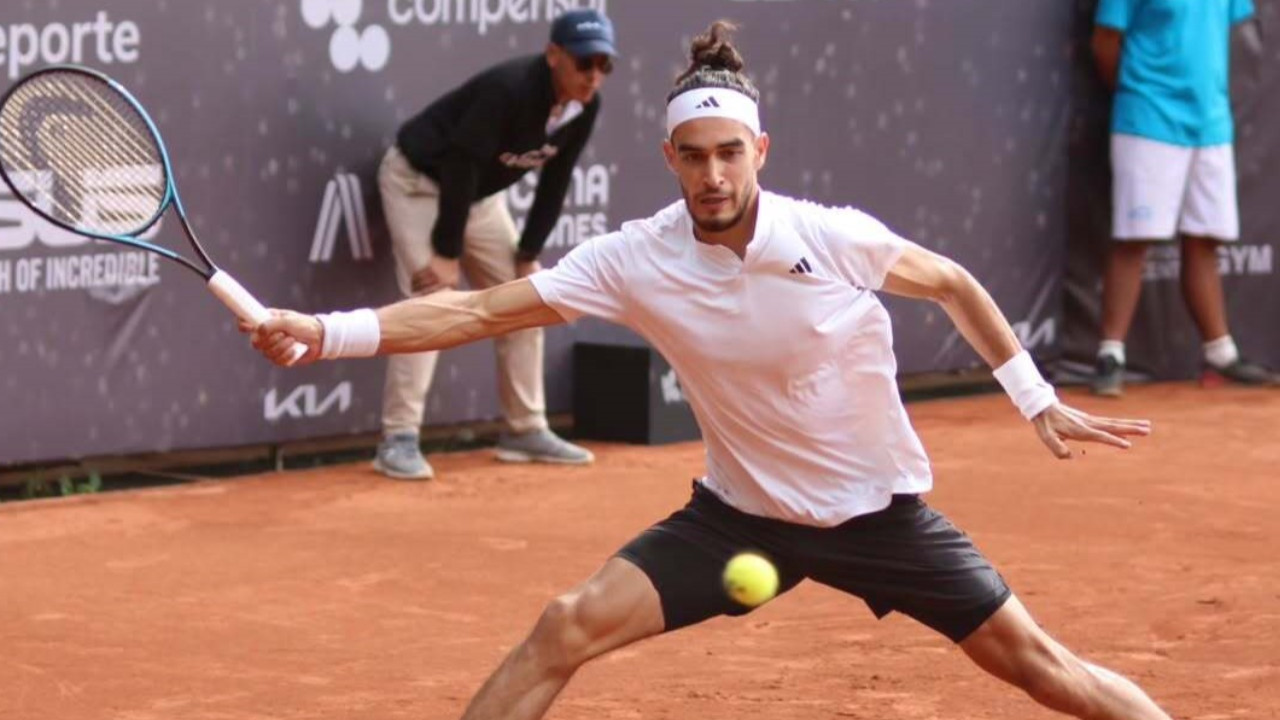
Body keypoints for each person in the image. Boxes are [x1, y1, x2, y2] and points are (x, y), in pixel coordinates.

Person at [251, 22, 1173, 720]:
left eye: (730, 153)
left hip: (877, 519)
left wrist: (1035, 398)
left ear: (759, 152)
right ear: (670, 161)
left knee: (1041, 667)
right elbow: (480, 308)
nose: (713, 175)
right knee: (562, 626)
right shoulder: (637, 256)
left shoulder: (829, 236)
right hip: (738, 524)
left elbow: (952, 283)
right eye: (693, 157)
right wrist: (325, 332)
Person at [372, 9, 616, 478]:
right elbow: (461, 162)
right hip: (419, 182)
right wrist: (446, 252)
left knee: (527, 299)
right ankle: (398, 438)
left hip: (477, 198)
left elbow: (556, 180)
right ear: (553, 56)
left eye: (604, 66)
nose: (593, 76)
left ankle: (524, 429)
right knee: (432, 299)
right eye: (585, 63)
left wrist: (527, 256)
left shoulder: (585, 107)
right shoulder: (509, 89)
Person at [1090, 0, 1276, 396]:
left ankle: (1220, 353)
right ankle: (1111, 354)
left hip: (1211, 123)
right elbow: (1105, 41)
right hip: (1146, 117)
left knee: (1205, 238)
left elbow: (1225, 37)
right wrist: (1140, 94)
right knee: (1133, 238)